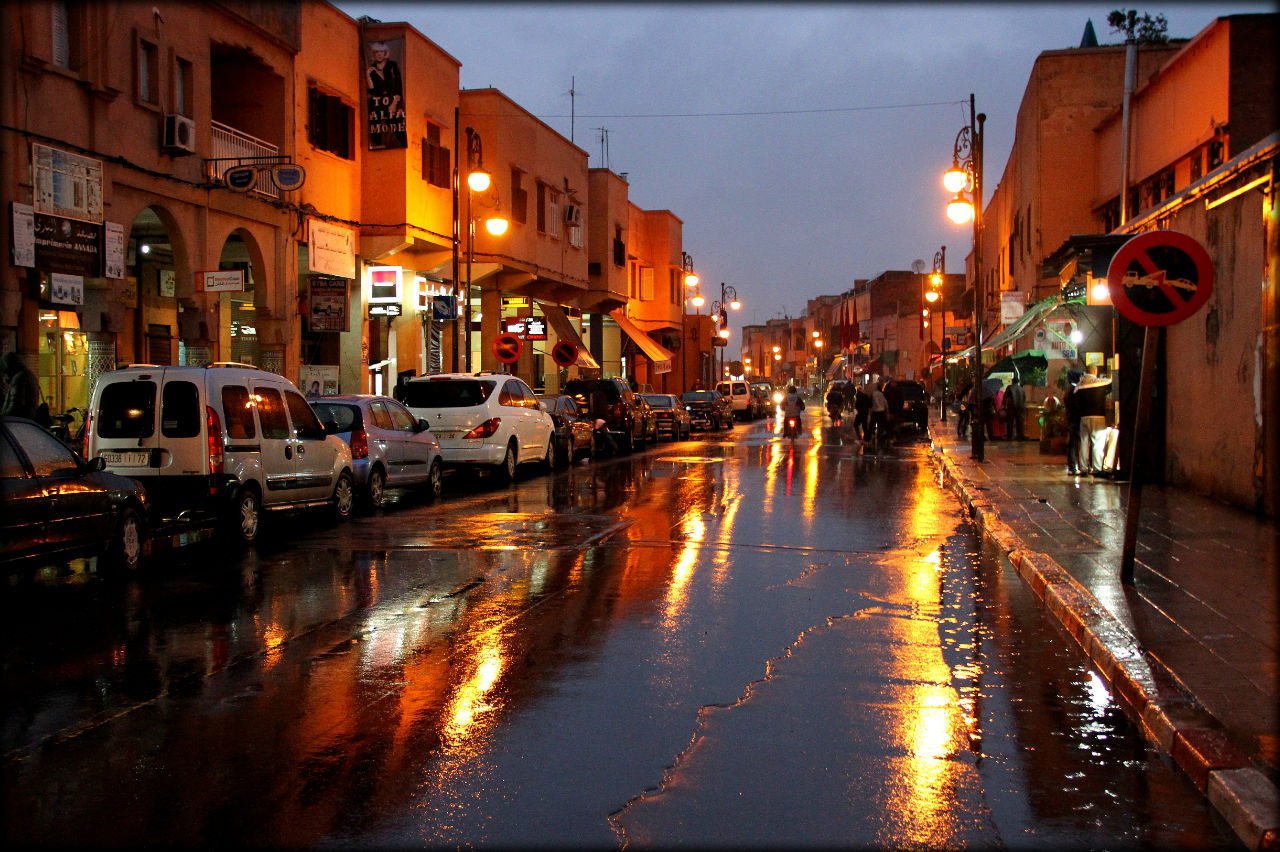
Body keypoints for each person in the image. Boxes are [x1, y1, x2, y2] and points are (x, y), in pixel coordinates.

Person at [366, 41, 406, 149]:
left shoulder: (392, 66)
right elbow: (372, 90)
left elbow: (398, 86)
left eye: (381, 52)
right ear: (373, 54)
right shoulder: (372, 68)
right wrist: (368, 75)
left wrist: (394, 103)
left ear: (385, 53)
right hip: (379, 105)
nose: (379, 54)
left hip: (393, 103)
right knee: (376, 125)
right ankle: (377, 144)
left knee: (397, 127)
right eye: (376, 52)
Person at [1, 351, 42, 422]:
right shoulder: (29, 375)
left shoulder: (18, 379)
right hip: (28, 421)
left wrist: (4, 418)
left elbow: (16, 405)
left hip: (20, 422)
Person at [1064, 369, 1084, 475]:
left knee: (1073, 443)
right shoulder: (1074, 390)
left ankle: (1072, 466)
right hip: (1075, 420)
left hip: (1071, 419)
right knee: (1074, 443)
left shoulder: (1070, 389)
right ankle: (1073, 467)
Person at [1003, 370, 1027, 441]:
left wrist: (1004, 405)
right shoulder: (1021, 389)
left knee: (1010, 422)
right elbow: (1024, 398)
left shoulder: (1009, 387)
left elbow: (1005, 397)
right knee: (1019, 422)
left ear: (1012, 381)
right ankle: (1020, 436)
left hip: (1011, 407)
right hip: (1020, 407)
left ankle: (1009, 437)